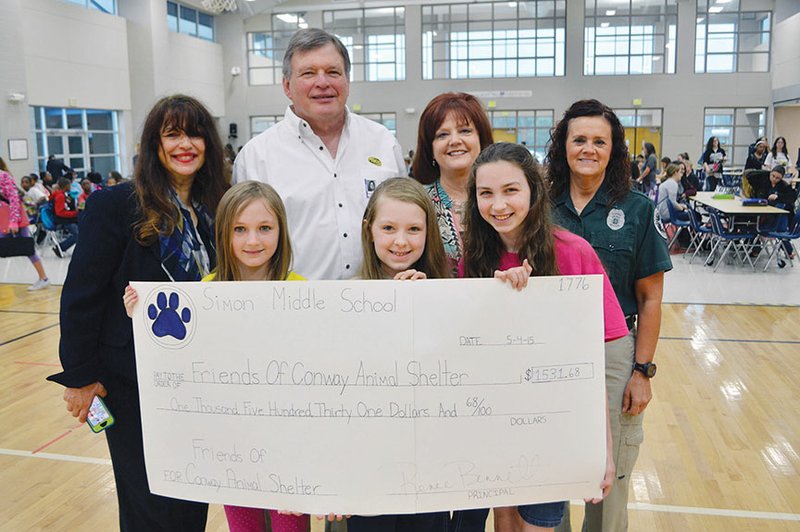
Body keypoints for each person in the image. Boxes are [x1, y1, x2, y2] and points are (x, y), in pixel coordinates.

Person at [47, 94, 228, 531]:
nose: (186, 144)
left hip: (198, 382)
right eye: (173, 134)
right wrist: (80, 377)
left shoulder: (215, 209)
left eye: (195, 133)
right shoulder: (117, 205)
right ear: (154, 144)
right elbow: (81, 295)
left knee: (190, 497)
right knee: (149, 504)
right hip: (132, 386)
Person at [123, 180, 308, 532]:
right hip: (231, 443)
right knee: (245, 527)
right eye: (240, 229)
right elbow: (178, 358)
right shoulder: (205, 292)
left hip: (289, 444)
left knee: (291, 528)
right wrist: (142, 319)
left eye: (265, 228)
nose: (253, 241)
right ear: (224, 234)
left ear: (281, 232)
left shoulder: (301, 290)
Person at [458, 143, 623, 532]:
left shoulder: (574, 253)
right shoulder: (475, 257)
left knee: (539, 523)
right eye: (486, 193)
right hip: (494, 423)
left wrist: (603, 449)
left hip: (551, 427)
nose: (498, 204)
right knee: (504, 520)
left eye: (511, 190)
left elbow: (591, 364)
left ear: (533, 190)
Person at [547, 99, 672, 532]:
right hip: (548, 354)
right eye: (578, 139)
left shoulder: (637, 209)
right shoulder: (537, 205)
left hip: (614, 353)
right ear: (563, 146)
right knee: (550, 465)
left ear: (614, 149)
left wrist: (642, 371)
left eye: (600, 141)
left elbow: (651, 297)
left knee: (611, 471)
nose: (588, 148)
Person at [234, 27, 405, 281]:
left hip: (380, 302)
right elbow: (242, 246)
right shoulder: (257, 156)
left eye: (333, 72)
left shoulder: (383, 143)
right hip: (292, 307)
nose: (322, 83)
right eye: (308, 73)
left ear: (347, 80)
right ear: (287, 86)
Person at [346, 177, 450, 532]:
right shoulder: (346, 299)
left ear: (428, 232)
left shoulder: (449, 295)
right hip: (367, 467)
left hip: (430, 467)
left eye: (413, 229)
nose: (401, 241)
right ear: (369, 230)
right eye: (388, 228)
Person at [411, 92, 494, 274]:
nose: (455, 141)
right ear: (430, 149)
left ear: (481, 139)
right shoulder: (417, 203)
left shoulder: (503, 197)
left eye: (465, 131)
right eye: (442, 135)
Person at [0, 164, 50, 290]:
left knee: (27, 248)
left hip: (12, 217)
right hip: (2, 217)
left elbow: (14, 199)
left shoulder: (4, 176)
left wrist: (13, 221)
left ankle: (44, 278)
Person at [51, 176, 79, 257]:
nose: (71, 187)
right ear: (65, 186)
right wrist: (74, 213)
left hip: (66, 218)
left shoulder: (64, 195)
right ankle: (61, 247)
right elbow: (60, 212)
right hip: (63, 220)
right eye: (70, 185)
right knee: (78, 234)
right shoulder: (60, 196)